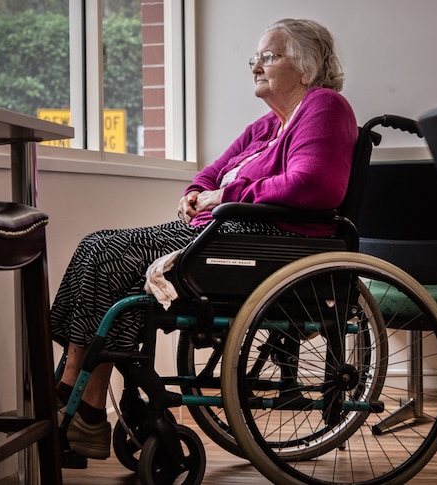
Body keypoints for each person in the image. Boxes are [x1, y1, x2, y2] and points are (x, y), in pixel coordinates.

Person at [49, 17, 358, 460]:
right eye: (255, 58)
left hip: (263, 244)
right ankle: (86, 403)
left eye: (268, 57)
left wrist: (222, 196)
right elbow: (212, 172)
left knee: (109, 252)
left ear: (307, 68)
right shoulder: (267, 126)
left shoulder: (324, 106)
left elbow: (315, 185)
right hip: (222, 235)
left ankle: (75, 396)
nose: (256, 66)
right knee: (96, 246)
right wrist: (197, 192)